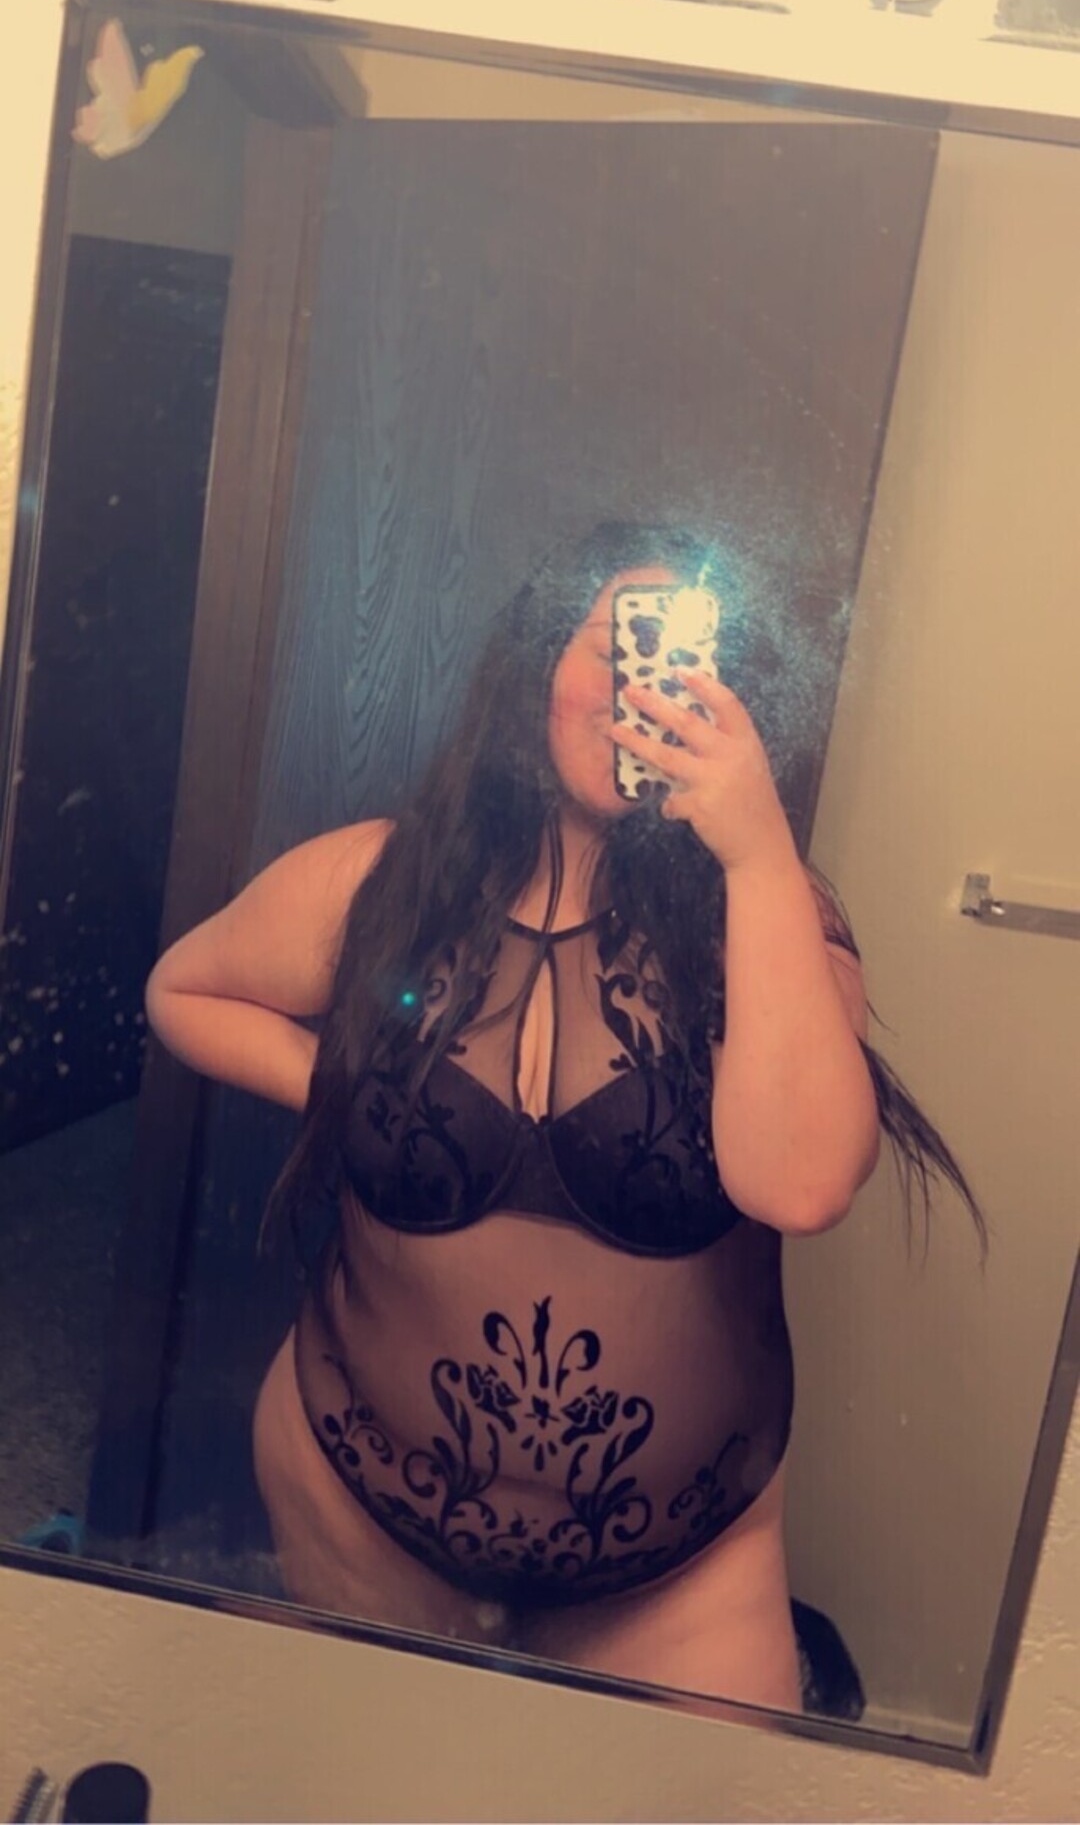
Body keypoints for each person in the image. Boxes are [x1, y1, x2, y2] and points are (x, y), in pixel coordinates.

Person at [145, 520, 984, 1711]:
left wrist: (755, 852)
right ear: (540, 666)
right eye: (622, 645)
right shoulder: (384, 881)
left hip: (677, 1578)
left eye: (685, 658)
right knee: (383, 1780)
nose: (648, 690)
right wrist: (355, 1084)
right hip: (359, 1502)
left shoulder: (770, 920)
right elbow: (184, 990)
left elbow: (800, 1183)